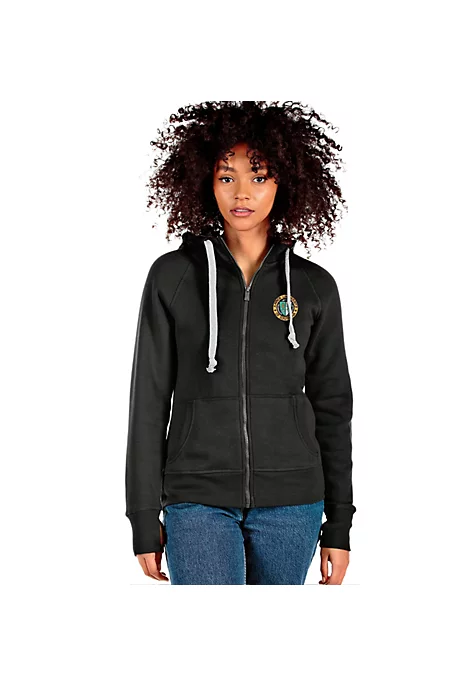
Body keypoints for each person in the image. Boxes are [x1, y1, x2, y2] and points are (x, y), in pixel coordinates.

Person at [125, 100, 356, 585]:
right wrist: (143, 515)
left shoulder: (314, 286)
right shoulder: (173, 277)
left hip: (293, 501)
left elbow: (333, 407)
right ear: (205, 182)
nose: (242, 193)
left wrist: (338, 522)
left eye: (259, 176)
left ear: (284, 182)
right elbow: (148, 402)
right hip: (196, 497)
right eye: (226, 177)